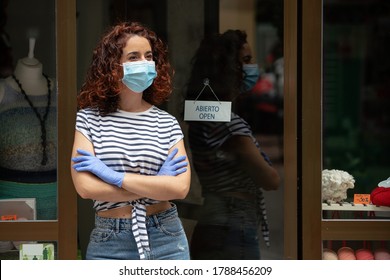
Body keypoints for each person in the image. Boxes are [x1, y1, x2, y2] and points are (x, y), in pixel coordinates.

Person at [70, 21, 191, 260]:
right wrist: (156, 185)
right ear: (112, 66)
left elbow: (180, 188)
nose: (144, 63)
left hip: (166, 235)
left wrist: (114, 178)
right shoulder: (88, 120)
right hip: (110, 240)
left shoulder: (167, 123)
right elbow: (86, 188)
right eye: (133, 57)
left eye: (148, 56)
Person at [185, 30, 280, 259]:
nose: (252, 67)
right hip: (232, 223)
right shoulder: (230, 126)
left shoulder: (202, 118)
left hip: (214, 221)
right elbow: (271, 180)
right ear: (229, 68)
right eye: (245, 61)